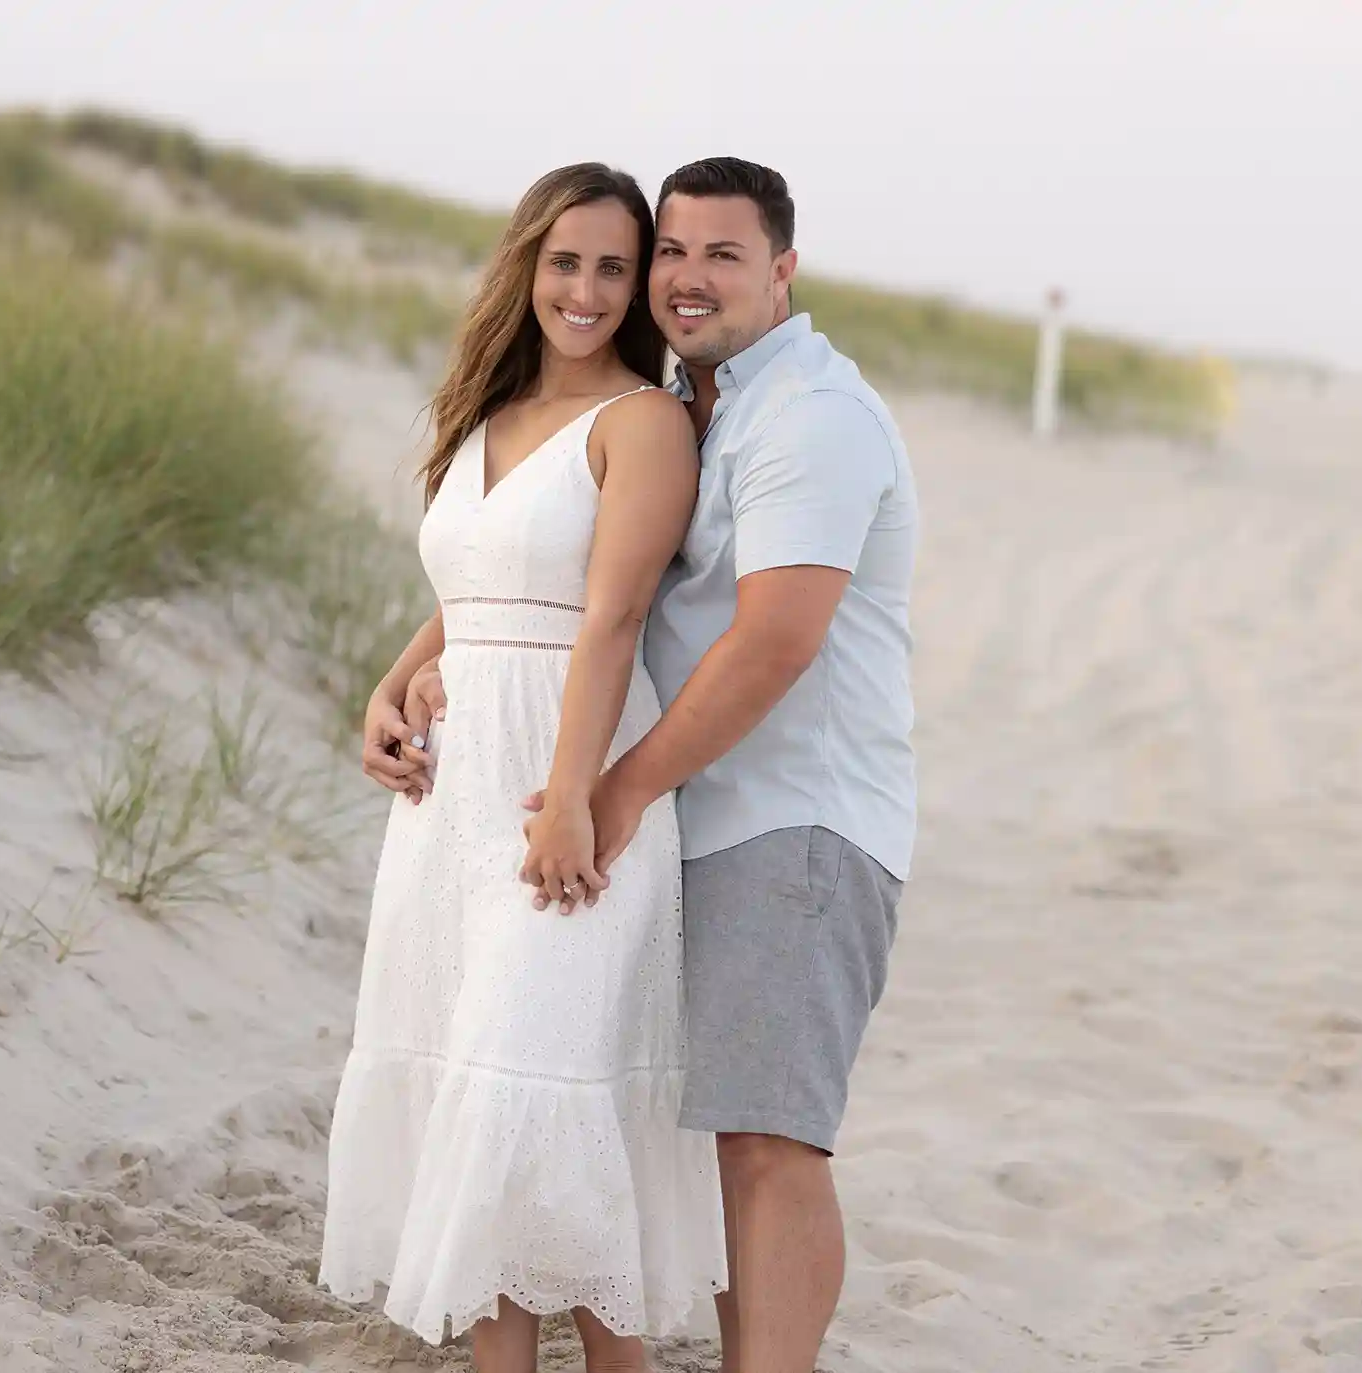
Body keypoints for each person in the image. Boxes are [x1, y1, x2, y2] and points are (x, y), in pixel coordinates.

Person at [405, 157, 920, 1373]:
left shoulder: (811, 417)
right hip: (704, 809)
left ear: (782, 269)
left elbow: (778, 637)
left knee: (769, 1141)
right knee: (687, 1124)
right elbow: (588, 572)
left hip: (792, 820)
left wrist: (615, 787)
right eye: (673, 252)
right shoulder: (708, 404)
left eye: (723, 255)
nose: (688, 278)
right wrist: (425, 658)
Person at [317, 162, 727, 1373]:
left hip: (568, 790)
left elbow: (606, 619)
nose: (588, 290)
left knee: (537, 1092)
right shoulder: (484, 417)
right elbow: (472, 590)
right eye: (565, 262)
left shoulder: (643, 424)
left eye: (614, 266)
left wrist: (570, 811)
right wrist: (390, 685)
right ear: (526, 268)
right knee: (479, 1099)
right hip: (451, 807)